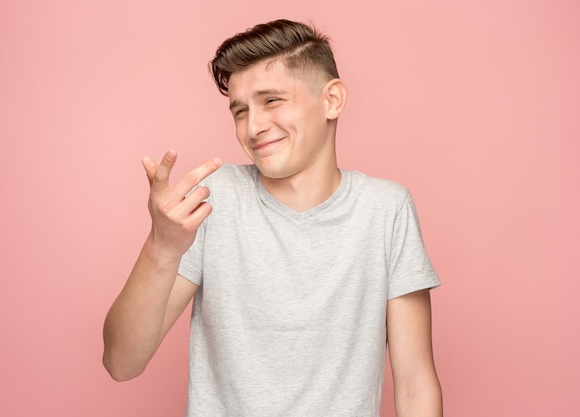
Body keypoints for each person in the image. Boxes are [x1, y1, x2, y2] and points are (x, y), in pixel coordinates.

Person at [103, 19, 443, 417]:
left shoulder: (386, 210)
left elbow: (416, 383)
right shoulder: (215, 199)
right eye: (240, 111)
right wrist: (160, 248)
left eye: (272, 101)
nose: (253, 127)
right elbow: (121, 363)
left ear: (332, 100)